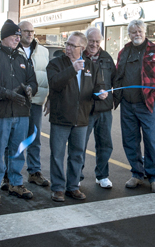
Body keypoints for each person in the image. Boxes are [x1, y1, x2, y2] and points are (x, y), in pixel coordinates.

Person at [46, 31, 107, 202]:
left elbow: (98, 85)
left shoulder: (90, 66)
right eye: (68, 43)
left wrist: (101, 93)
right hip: (60, 117)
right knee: (57, 154)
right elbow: (54, 83)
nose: (68, 47)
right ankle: (58, 188)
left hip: (81, 118)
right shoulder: (56, 63)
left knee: (77, 154)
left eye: (73, 45)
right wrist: (71, 70)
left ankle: (73, 186)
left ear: (82, 48)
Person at [0, 20, 37, 205]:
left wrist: (30, 89)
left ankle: (15, 182)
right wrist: (7, 94)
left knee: (18, 150)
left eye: (18, 36)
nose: (17, 38)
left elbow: (33, 81)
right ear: (4, 37)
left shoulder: (23, 58)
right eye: (14, 35)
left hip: (21, 112)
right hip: (1, 112)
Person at [113, 20, 155, 193]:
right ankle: (137, 174)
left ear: (145, 32)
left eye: (139, 31)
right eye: (133, 32)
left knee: (151, 141)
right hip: (127, 105)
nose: (136, 34)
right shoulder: (124, 52)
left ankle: (154, 177)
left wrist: (153, 95)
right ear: (129, 34)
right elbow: (118, 75)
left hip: (146, 105)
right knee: (130, 141)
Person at [80, 27, 116, 189]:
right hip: (85, 108)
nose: (94, 44)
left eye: (97, 41)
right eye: (91, 41)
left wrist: (114, 100)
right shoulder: (79, 57)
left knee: (105, 144)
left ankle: (102, 176)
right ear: (85, 40)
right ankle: (76, 175)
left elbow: (116, 80)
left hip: (104, 109)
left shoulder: (107, 58)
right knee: (80, 144)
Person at [17, 20, 51, 187]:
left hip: (36, 101)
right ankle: (11, 175)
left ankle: (34, 171)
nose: (29, 34)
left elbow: (47, 75)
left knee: (34, 137)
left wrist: (49, 97)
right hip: (16, 102)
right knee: (15, 139)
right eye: (25, 31)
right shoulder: (12, 49)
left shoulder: (43, 51)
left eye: (32, 31)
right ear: (19, 32)